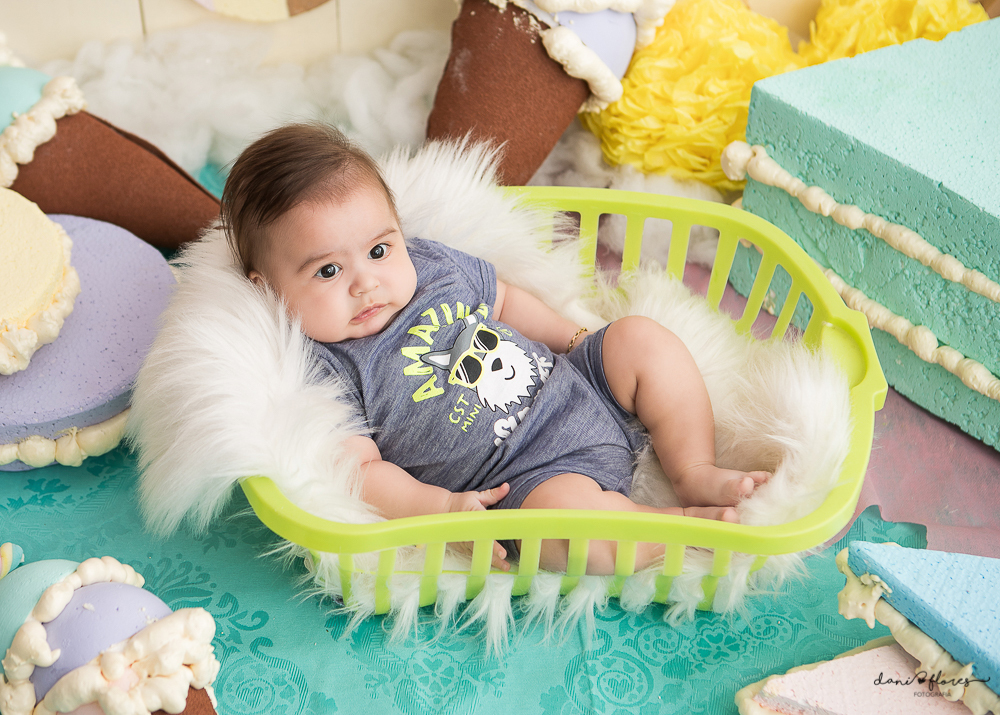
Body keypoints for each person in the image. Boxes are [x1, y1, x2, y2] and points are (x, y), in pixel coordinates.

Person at [220, 123, 769, 574]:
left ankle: (694, 469)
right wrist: (441, 510)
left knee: (641, 338)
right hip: (532, 480)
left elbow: (504, 300)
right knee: (581, 538)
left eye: (379, 250)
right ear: (268, 288)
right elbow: (362, 471)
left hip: (580, 385)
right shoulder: (324, 367)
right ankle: (679, 526)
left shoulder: (430, 263)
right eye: (328, 271)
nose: (366, 283)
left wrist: (576, 338)